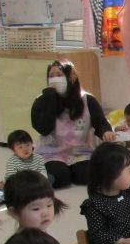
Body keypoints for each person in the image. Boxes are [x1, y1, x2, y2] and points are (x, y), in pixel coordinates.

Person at [31, 60, 115, 189]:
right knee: (59, 178)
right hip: (52, 152)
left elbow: (100, 121)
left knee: (86, 177)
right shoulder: (42, 100)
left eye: (59, 75)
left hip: (81, 151)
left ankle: (73, 169)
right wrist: (50, 99)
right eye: (51, 76)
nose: (55, 79)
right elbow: (43, 129)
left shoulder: (87, 100)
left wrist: (106, 131)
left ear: (71, 77)